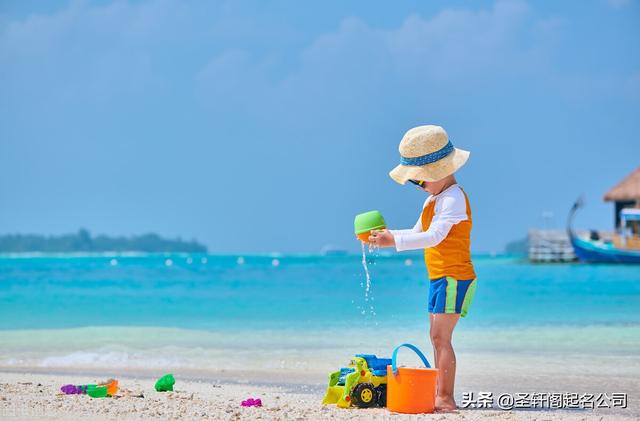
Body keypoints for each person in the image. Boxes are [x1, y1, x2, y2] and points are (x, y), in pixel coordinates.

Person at [368, 125, 476, 412]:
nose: (419, 186)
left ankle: (446, 398)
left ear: (437, 171)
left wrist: (395, 241)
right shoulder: (434, 199)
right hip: (440, 276)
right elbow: (418, 230)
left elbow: (434, 236)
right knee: (436, 337)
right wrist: (388, 237)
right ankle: (440, 392)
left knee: (442, 338)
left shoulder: (453, 197)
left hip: (454, 276)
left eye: (419, 181)